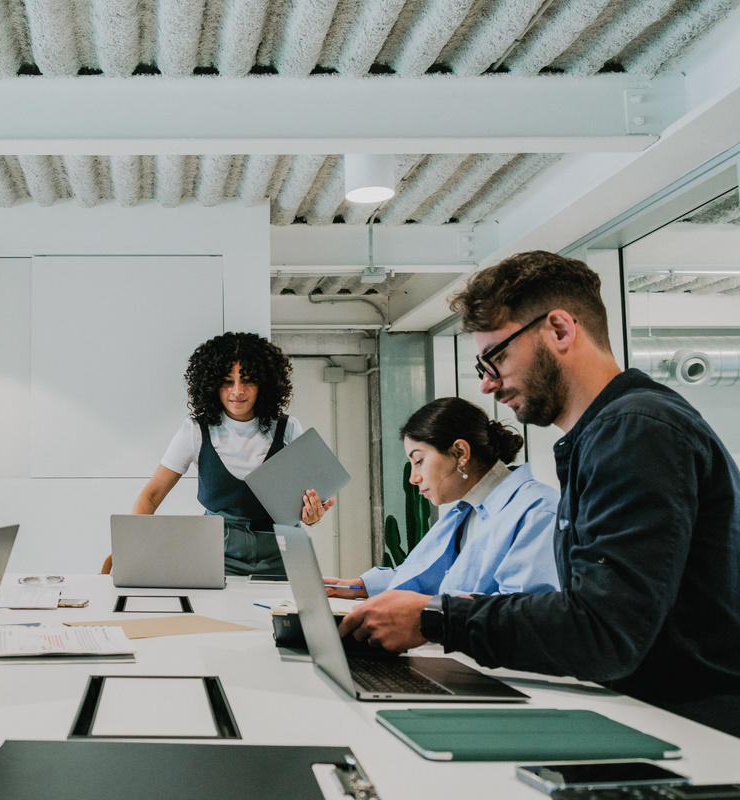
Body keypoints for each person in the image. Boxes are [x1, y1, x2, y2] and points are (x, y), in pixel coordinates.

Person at [338, 250, 740, 736]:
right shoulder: (607, 434)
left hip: (690, 728)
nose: (487, 384)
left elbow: (603, 629)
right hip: (651, 712)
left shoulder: (635, 431)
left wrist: (438, 620)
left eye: (498, 356)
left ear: (560, 330)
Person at [133, 332, 334, 577]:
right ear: (212, 384)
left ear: (264, 383)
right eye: (228, 381)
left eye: (248, 380)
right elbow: (151, 496)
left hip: (282, 553)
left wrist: (313, 517)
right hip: (215, 554)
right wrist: (134, 551)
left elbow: (307, 505)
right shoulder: (196, 431)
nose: (237, 391)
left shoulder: (288, 429)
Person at [325, 397, 559, 599]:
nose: (413, 478)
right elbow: (425, 576)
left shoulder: (538, 511)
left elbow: (526, 611)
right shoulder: (466, 513)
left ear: (460, 453)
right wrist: (358, 586)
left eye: (419, 461)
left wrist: (426, 612)